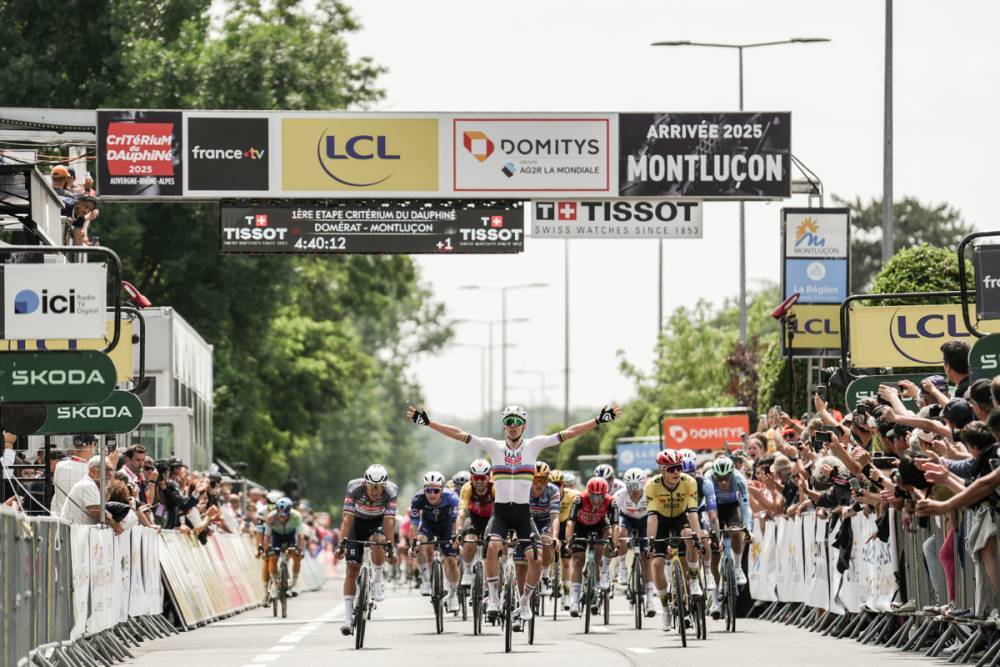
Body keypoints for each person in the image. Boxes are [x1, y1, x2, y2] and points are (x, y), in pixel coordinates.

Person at [407, 402, 621, 628]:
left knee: (536, 560)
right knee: (491, 548)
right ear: (504, 426)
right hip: (500, 513)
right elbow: (459, 434)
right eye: (509, 422)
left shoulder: (533, 445)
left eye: (517, 422)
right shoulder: (493, 447)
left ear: (524, 426)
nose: (513, 426)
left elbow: (568, 434)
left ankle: (525, 602)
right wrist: (428, 422)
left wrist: (597, 421)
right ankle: (494, 598)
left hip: (522, 513)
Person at [645, 449, 704, 631]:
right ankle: (665, 608)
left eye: (678, 467)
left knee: (689, 536)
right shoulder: (652, 485)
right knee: (656, 564)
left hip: (680, 517)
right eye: (671, 469)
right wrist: (651, 543)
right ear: (662, 470)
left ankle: (693, 580)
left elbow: (693, 513)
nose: (676, 472)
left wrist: (698, 538)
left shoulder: (689, 482)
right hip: (660, 520)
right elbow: (652, 518)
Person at [336, 464, 397, 636]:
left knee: (378, 541)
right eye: (371, 486)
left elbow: (389, 522)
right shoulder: (354, 487)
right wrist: (341, 544)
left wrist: (389, 544)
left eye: (379, 487)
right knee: (351, 569)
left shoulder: (391, 491)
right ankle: (347, 619)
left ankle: (378, 580)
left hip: (377, 523)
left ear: (384, 485)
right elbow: (347, 519)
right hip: (357, 524)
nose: (375, 491)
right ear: (365, 483)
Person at [703, 456, 752, 618]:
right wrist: (715, 537)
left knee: (737, 531)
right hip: (714, 509)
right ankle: (715, 602)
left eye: (726, 478)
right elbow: (712, 515)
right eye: (720, 478)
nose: (723, 482)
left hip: (732, 508)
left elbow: (745, 508)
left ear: (732, 474)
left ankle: (737, 568)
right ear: (714, 475)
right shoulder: (708, 480)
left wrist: (748, 529)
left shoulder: (739, 479)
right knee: (714, 555)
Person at [564, 476, 617, 616]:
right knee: (578, 560)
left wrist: (614, 544)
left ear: (605, 495)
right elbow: (570, 523)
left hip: (599, 525)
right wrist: (569, 542)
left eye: (600, 497)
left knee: (606, 539)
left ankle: (604, 572)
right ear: (588, 493)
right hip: (581, 526)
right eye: (593, 496)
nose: (596, 501)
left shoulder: (611, 501)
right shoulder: (579, 499)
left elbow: (615, 525)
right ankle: (574, 600)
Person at [408, 470, 461, 611]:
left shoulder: (452, 497)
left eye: (436, 491)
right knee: (419, 541)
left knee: (451, 561)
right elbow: (413, 525)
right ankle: (425, 579)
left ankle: (453, 595)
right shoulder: (417, 499)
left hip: (447, 526)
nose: (431, 494)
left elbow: (457, 521)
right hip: (428, 525)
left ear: (442, 490)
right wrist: (412, 546)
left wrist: (455, 538)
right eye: (428, 490)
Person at [613, 467, 658, 615]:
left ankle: (650, 600)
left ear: (643, 484)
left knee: (647, 558)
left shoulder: (650, 493)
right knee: (621, 532)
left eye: (637, 486)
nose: (634, 490)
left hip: (645, 520)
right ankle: (622, 567)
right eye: (630, 486)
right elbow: (613, 518)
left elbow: (657, 515)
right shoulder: (620, 496)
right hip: (627, 519)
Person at [455, 458, 495, 587]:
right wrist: (458, 530)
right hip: (474, 517)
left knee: (494, 543)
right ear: (471, 477)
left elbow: (501, 510)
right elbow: (462, 512)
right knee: (469, 540)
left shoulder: (494, 487)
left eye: (482, 478)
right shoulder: (467, 488)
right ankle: (467, 571)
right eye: (476, 477)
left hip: (492, 517)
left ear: (489, 476)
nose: (479, 481)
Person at [527, 461, 560, 595]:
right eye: (535, 479)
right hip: (528, 520)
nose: (539, 484)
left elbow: (555, 517)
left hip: (545, 520)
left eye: (543, 480)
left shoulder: (553, 490)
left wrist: (555, 537)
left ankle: (545, 576)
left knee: (547, 542)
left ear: (547, 480)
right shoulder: (524, 489)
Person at [264, 497, 305, 602]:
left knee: (296, 556)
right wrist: (266, 550)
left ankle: (294, 585)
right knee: (272, 558)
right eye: (280, 514)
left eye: (285, 514)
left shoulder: (296, 516)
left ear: (289, 511)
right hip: (276, 536)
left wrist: (300, 550)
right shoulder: (270, 517)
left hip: (290, 536)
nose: (282, 517)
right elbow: (267, 536)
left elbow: (300, 536)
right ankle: (275, 581)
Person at [52, 434, 97, 514]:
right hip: (81, 522)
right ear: (91, 445)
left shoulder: (60, 466)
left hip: (61, 521)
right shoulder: (91, 470)